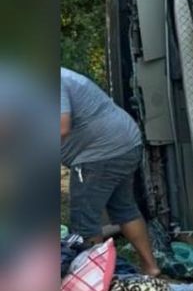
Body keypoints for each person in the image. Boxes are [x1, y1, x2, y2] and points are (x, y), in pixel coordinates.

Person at [61, 67, 160, 277]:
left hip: (99, 154)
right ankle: (151, 268)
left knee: (84, 222)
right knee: (124, 209)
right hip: (125, 143)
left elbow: (61, 126)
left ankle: (96, 282)